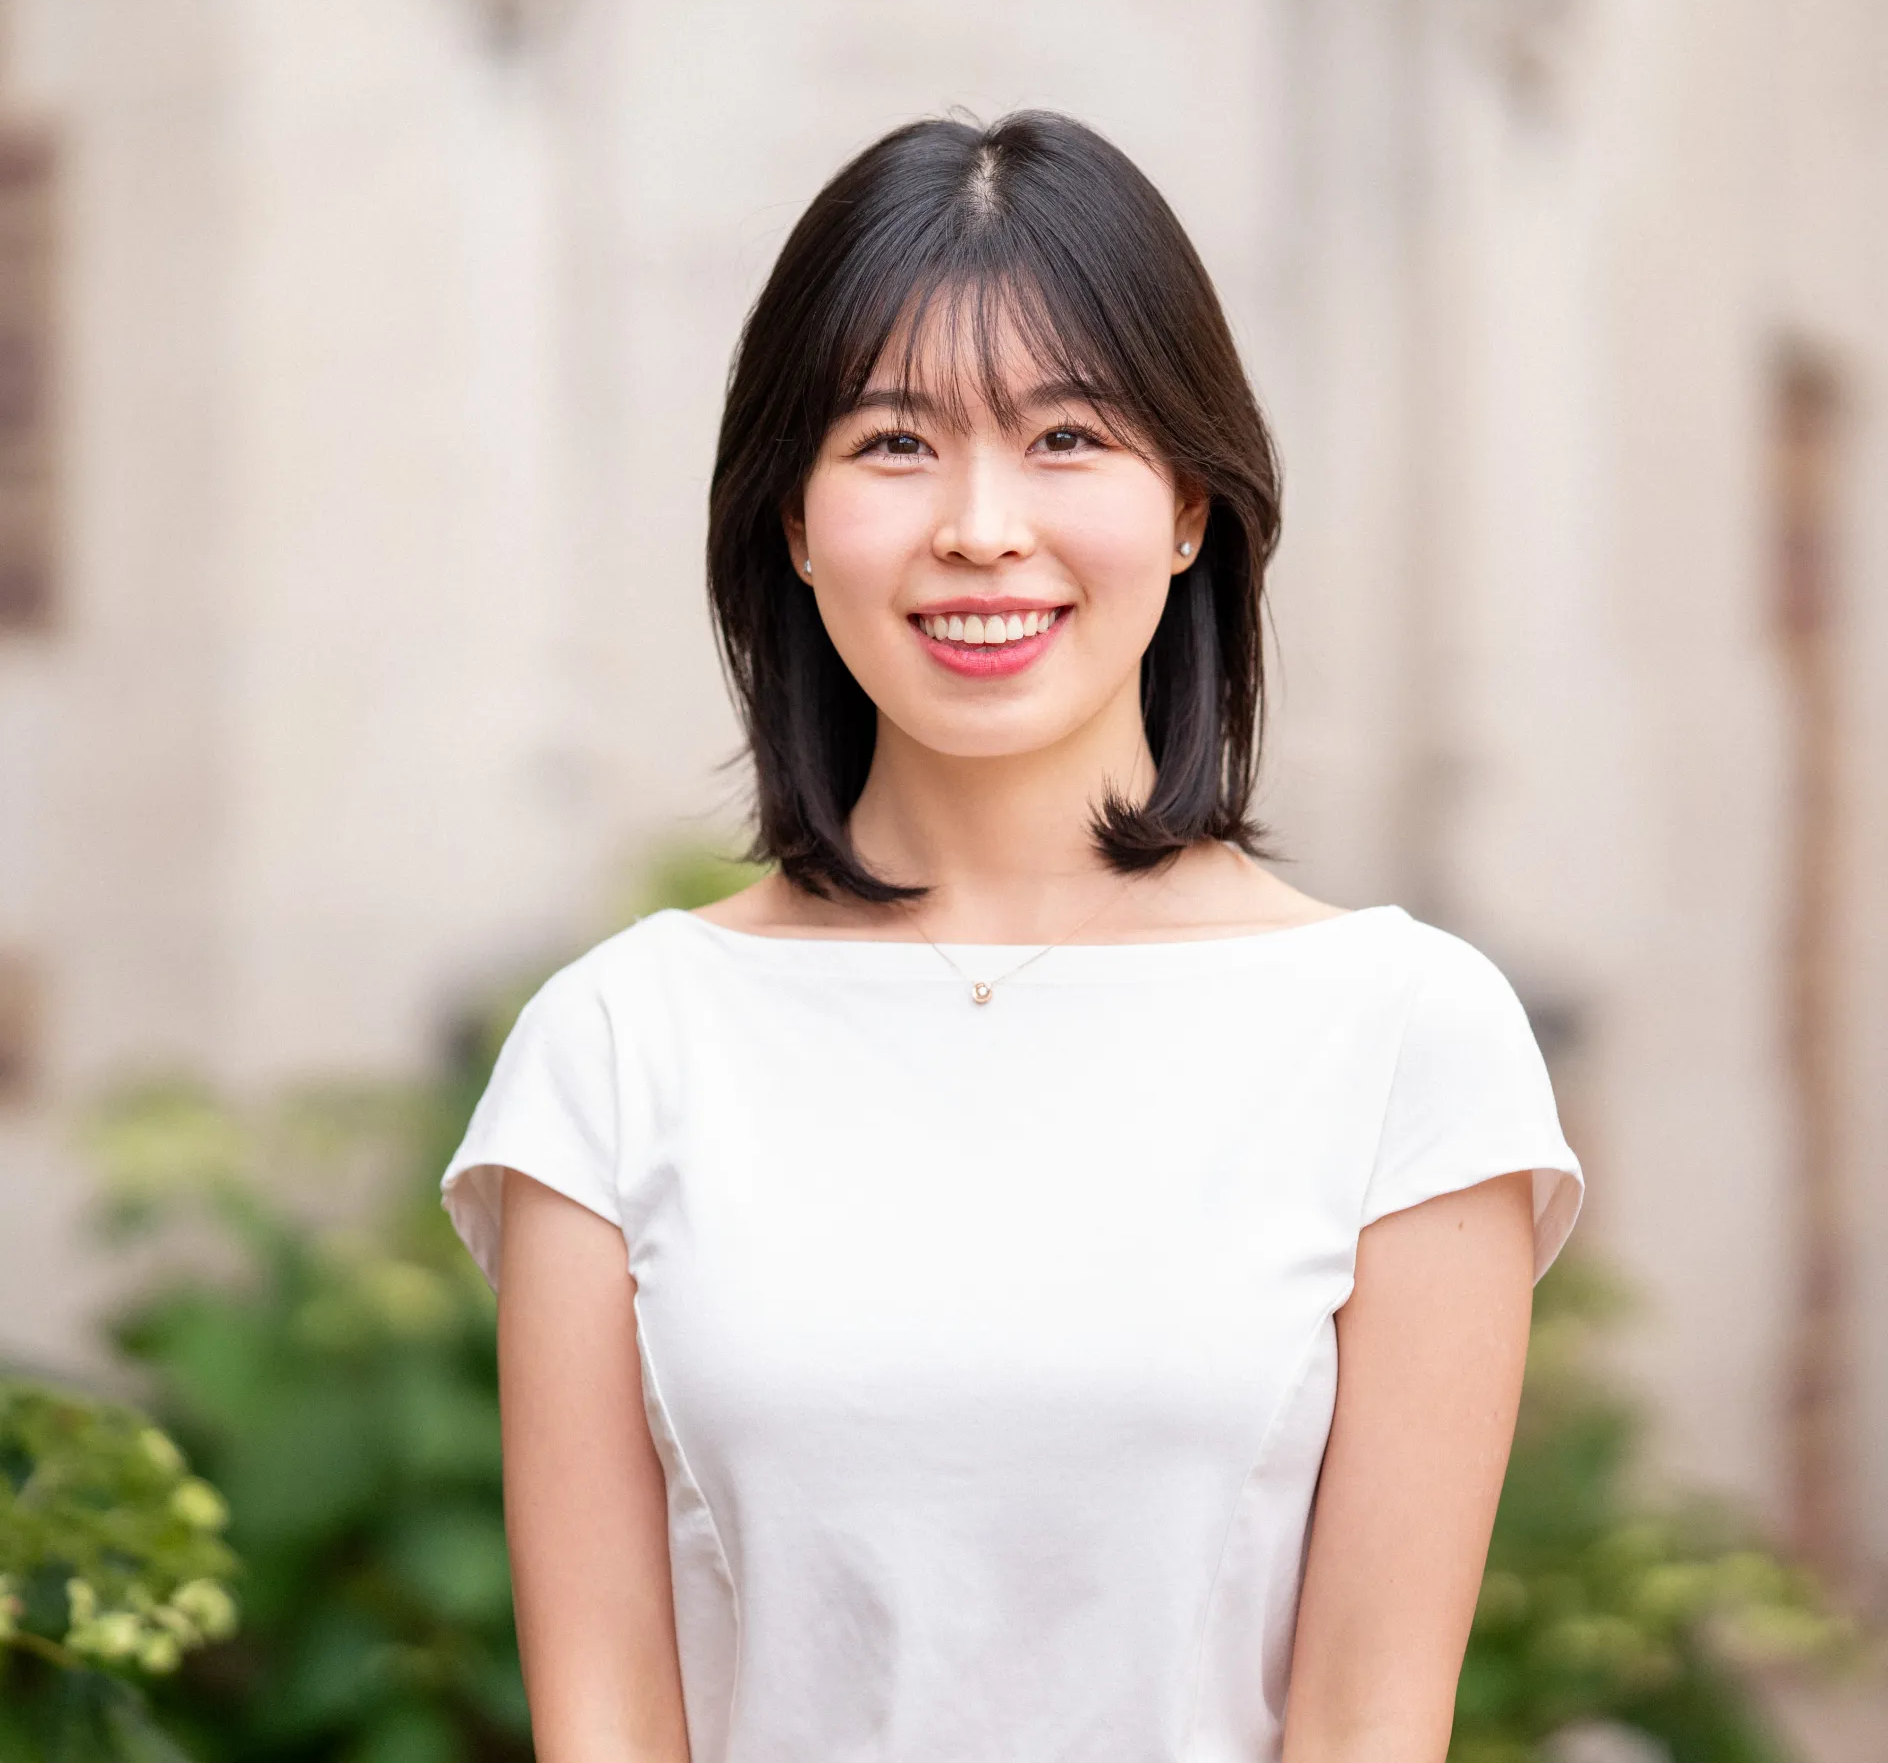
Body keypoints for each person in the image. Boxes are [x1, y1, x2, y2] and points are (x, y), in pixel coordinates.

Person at [440, 110, 1583, 1763]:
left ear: (1192, 503)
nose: (980, 525)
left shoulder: (1404, 1033)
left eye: (1067, 438)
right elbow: (606, 1723)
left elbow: (1366, 1722)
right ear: (790, 517)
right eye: (894, 443)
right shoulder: (617, 1046)